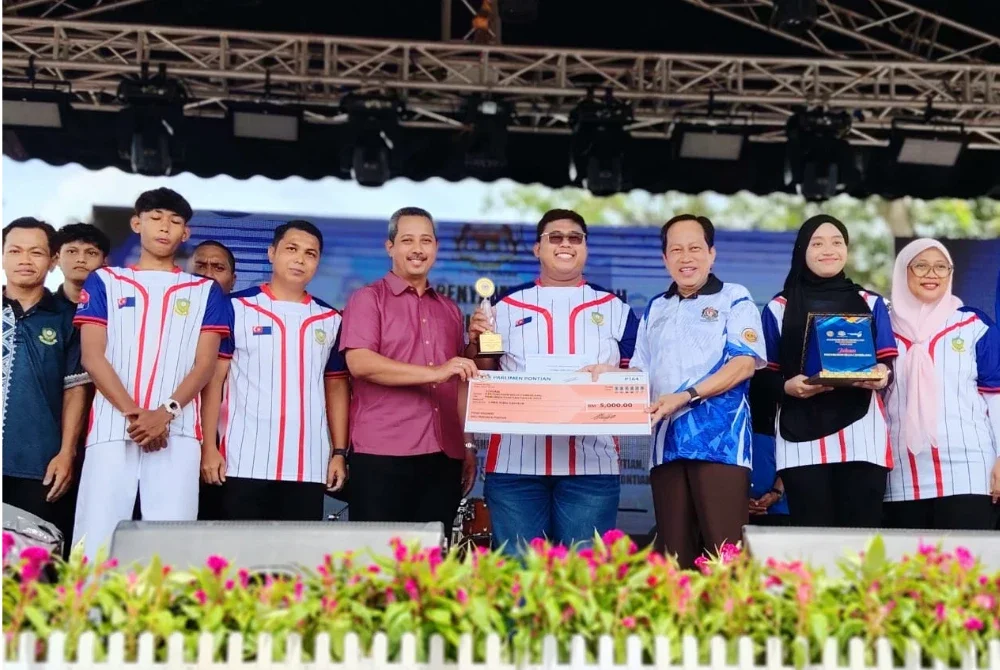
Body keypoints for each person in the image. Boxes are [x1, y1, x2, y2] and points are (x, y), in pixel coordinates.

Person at [467, 209, 638, 553]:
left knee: (583, 581)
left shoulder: (616, 309)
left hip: (592, 465)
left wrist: (616, 377)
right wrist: (475, 340)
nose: (565, 244)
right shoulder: (504, 306)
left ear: (585, 248)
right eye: (555, 237)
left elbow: (640, 374)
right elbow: (482, 373)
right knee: (518, 579)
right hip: (515, 464)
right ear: (536, 249)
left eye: (575, 238)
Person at [72, 188, 229, 559]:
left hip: (178, 433)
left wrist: (165, 413)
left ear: (185, 234)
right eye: (156, 218)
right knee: (96, 540)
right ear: (136, 223)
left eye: (175, 222)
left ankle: (162, 618)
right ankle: (85, 617)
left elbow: (205, 364)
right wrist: (136, 415)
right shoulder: (105, 281)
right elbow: (92, 357)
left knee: (171, 547)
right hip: (113, 430)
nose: (165, 228)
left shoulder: (204, 290)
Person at [628, 215, 766, 569]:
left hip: (720, 446)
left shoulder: (735, 298)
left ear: (711, 253)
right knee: (675, 562)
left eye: (694, 248)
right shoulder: (655, 307)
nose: (685, 257)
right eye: (676, 249)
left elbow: (744, 364)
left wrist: (685, 396)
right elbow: (638, 373)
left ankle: (731, 626)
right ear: (665, 259)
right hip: (665, 448)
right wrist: (604, 376)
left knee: (726, 560)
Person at [339, 207, 477, 534]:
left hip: (443, 454)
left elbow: (458, 381)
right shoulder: (367, 299)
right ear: (390, 247)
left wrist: (467, 446)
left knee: (430, 564)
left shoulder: (449, 309)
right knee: (376, 562)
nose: (417, 249)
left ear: (436, 248)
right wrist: (436, 372)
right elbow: (360, 363)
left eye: (426, 240)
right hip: (383, 452)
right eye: (407, 240)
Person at [199, 222, 348, 520]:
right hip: (242, 460)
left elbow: (336, 388)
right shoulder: (236, 307)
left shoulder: (330, 319)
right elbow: (214, 381)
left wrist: (339, 453)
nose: (300, 259)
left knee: (292, 563)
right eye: (291, 249)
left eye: (310, 253)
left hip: (308, 463)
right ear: (271, 253)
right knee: (238, 559)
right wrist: (208, 448)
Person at [759, 215, 898, 529]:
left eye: (837, 242)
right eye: (817, 243)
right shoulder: (779, 307)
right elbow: (764, 377)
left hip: (862, 438)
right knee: (813, 545)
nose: (828, 250)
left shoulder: (871, 303)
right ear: (802, 250)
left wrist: (880, 373)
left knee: (862, 544)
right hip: (800, 442)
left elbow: (887, 366)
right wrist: (787, 387)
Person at [882, 239, 1000, 529]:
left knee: (969, 569)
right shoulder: (881, 327)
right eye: (921, 266)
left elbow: (995, 398)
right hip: (901, 474)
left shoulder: (973, 324)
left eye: (941, 267)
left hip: (970, 471)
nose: (931, 274)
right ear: (902, 271)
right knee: (910, 571)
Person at [2, 218, 90, 554]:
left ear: (53, 260)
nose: (25, 260)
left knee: (33, 571)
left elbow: (76, 390)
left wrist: (67, 453)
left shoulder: (67, 319)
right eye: (15, 251)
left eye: (36, 252)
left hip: (39, 466)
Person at [187, 240, 237, 521]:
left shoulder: (240, 316)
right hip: (161, 431)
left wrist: (210, 445)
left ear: (232, 279)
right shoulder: (164, 312)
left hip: (221, 442)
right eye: (200, 266)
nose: (208, 274)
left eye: (218, 268)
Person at [746, 375, 790, 525]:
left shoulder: (785, 416)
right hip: (731, 509)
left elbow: (795, 455)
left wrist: (776, 493)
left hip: (778, 509)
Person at [54, 223, 111, 304]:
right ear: (57, 259)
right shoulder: (41, 310)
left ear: (105, 262)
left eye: (91, 253)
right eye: (72, 251)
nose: (81, 259)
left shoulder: (116, 308)